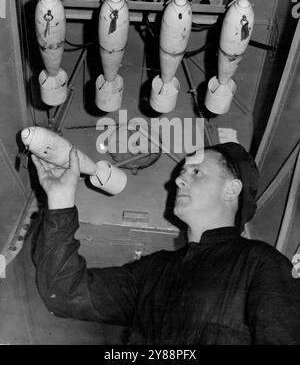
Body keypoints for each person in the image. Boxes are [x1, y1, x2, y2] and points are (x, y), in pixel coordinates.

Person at [31, 142, 300, 344]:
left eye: (196, 172)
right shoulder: (153, 271)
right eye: (183, 172)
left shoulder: (261, 263)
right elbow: (64, 294)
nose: (178, 179)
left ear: (232, 190)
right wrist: (60, 200)